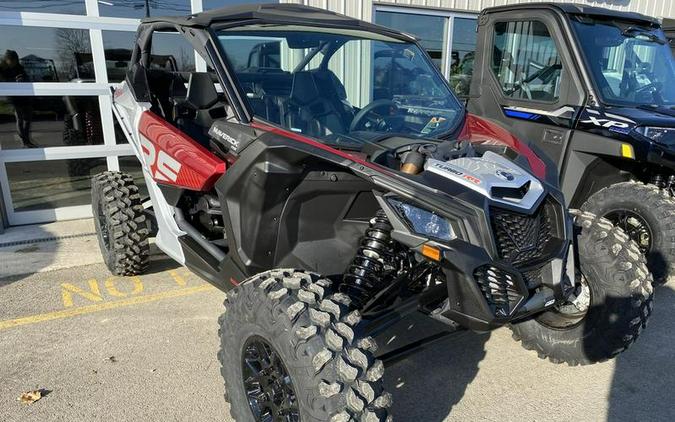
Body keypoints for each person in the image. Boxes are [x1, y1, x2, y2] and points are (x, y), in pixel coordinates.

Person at [0, 50, 37, 148]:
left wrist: (23, 80)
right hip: (14, 97)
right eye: (11, 60)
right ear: (7, 60)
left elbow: (27, 79)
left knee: (27, 119)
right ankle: (24, 141)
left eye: (15, 60)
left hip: (24, 96)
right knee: (19, 118)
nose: (13, 62)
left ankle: (26, 140)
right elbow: (3, 82)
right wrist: (13, 81)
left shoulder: (20, 68)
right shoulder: (3, 69)